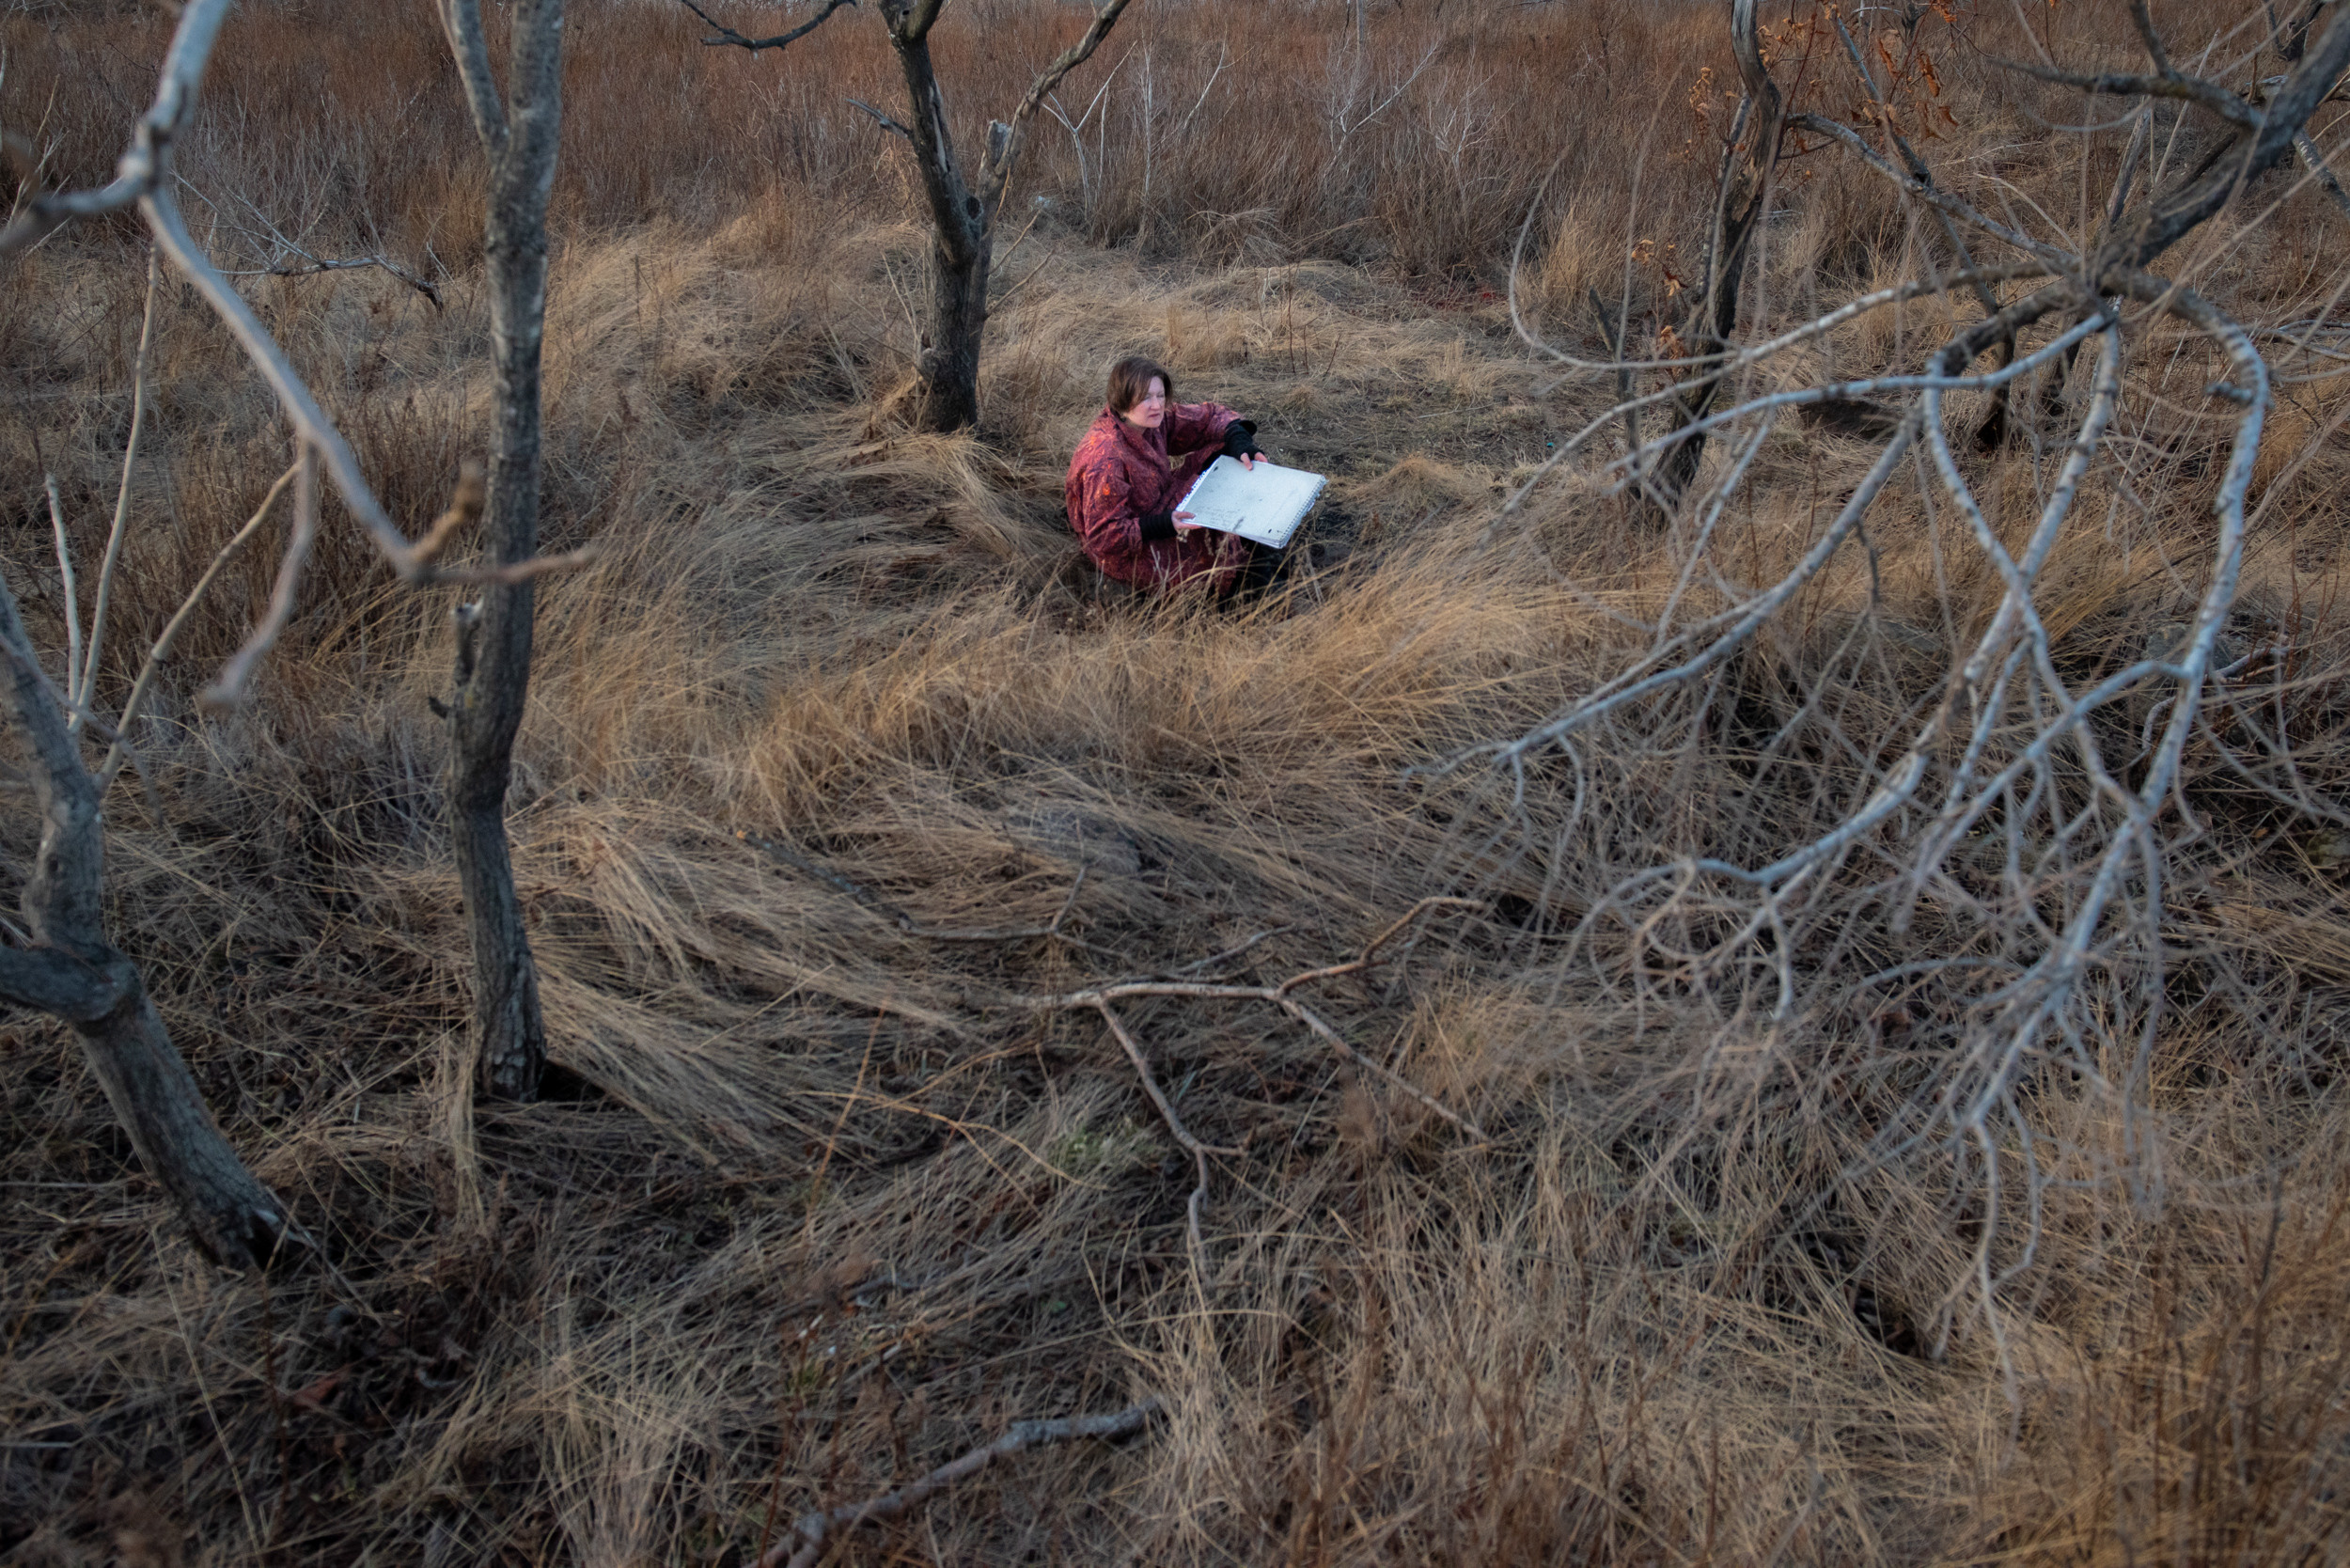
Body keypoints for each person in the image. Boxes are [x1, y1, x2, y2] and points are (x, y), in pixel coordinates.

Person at [1064, 354, 1277, 596]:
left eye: (1160, 395)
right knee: (1219, 550)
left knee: (1226, 448)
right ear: (1122, 400)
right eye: (1145, 398)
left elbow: (1208, 418)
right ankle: (1251, 587)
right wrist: (1164, 524)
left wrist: (1240, 441)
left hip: (1164, 506)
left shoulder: (1149, 420)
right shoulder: (1105, 458)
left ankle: (1255, 551)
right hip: (1135, 547)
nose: (1156, 405)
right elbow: (1104, 538)